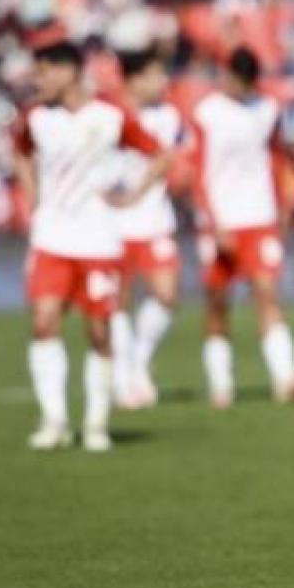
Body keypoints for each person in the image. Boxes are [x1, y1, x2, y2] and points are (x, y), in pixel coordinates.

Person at [13, 40, 172, 452]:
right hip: (50, 237)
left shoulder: (111, 116)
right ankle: (54, 420)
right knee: (44, 321)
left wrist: (132, 197)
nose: (39, 80)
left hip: (99, 240)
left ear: (68, 71)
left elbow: (159, 154)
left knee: (99, 331)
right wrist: (32, 198)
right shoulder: (35, 118)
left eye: (44, 71)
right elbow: (20, 154)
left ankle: (96, 422)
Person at [190, 46, 294, 407]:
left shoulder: (267, 110)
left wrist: (283, 208)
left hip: (259, 217)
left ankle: (284, 377)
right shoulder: (207, 113)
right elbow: (198, 173)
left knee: (266, 292)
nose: (241, 88)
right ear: (225, 74)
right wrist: (214, 224)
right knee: (217, 302)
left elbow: (276, 159)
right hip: (220, 220)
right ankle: (220, 383)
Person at [109, 48, 183, 410]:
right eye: (155, 75)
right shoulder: (107, 116)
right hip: (114, 223)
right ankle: (123, 378)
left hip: (154, 219)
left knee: (167, 295)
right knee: (117, 301)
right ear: (133, 79)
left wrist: (137, 193)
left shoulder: (167, 116)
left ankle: (138, 361)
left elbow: (164, 159)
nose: (163, 83)